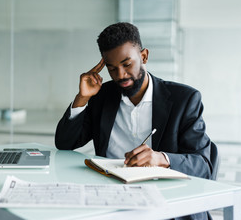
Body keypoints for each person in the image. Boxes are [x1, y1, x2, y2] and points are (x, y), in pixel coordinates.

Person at [55, 22, 214, 219]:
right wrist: (82, 98)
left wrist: (161, 159)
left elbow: (204, 165)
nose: (120, 75)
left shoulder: (184, 99)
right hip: (113, 205)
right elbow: (64, 143)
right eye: (112, 69)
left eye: (127, 64)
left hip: (168, 207)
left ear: (144, 56)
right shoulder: (102, 96)